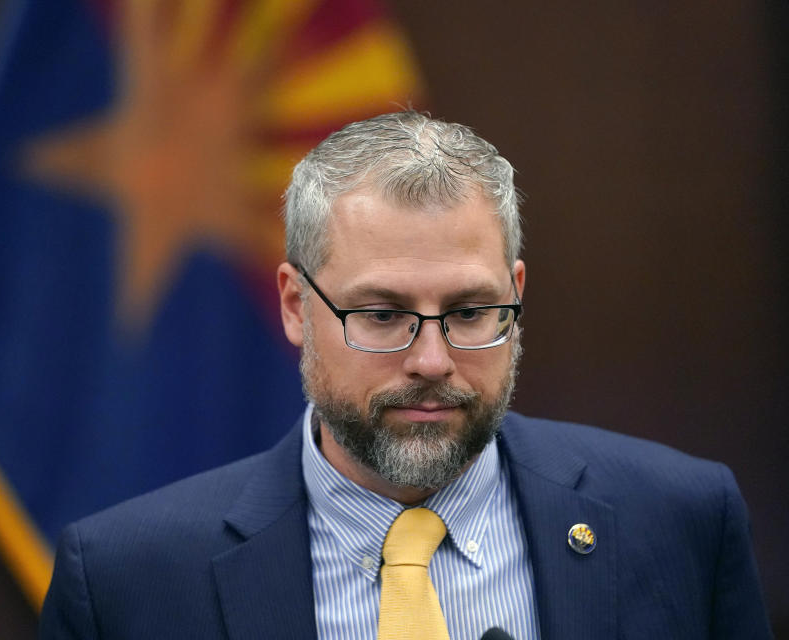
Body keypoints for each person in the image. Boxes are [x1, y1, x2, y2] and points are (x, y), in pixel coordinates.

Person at [39, 111, 771, 639]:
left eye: (471, 310)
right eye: (384, 315)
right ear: (296, 305)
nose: (431, 361)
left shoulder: (679, 523)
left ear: (515, 291)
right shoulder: (127, 583)